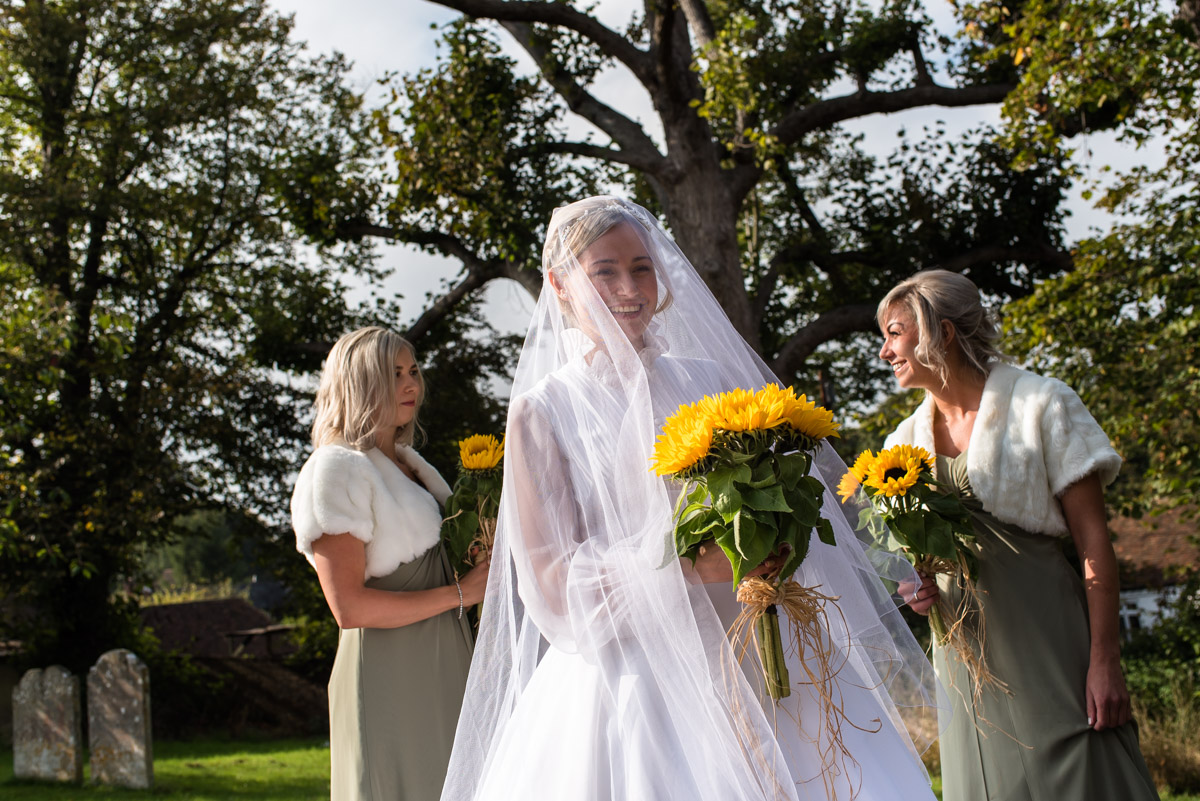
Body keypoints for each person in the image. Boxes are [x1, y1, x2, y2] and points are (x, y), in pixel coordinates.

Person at [440, 197, 943, 801]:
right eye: (604, 271)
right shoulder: (544, 411)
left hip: (755, 646)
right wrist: (683, 563)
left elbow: (783, 500)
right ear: (560, 285)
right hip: (635, 675)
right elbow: (550, 583)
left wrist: (774, 545)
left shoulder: (711, 382)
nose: (629, 288)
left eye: (642, 267)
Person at [878, 270, 1158, 801]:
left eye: (895, 332)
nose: (885, 350)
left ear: (943, 331)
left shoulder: (1042, 405)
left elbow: (1094, 542)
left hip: (1050, 641)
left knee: (1086, 775)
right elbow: (915, 562)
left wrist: (1105, 660)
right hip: (964, 657)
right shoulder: (902, 442)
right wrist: (915, 590)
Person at [290, 326, 489, 801]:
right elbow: (349, 608)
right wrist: (463, 594)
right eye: (394, 373)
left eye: (413, 371)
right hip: (389, 675)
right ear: (359, 382)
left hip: (446, 659)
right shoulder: (335, 468)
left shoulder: (411, 464)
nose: (411, 385)